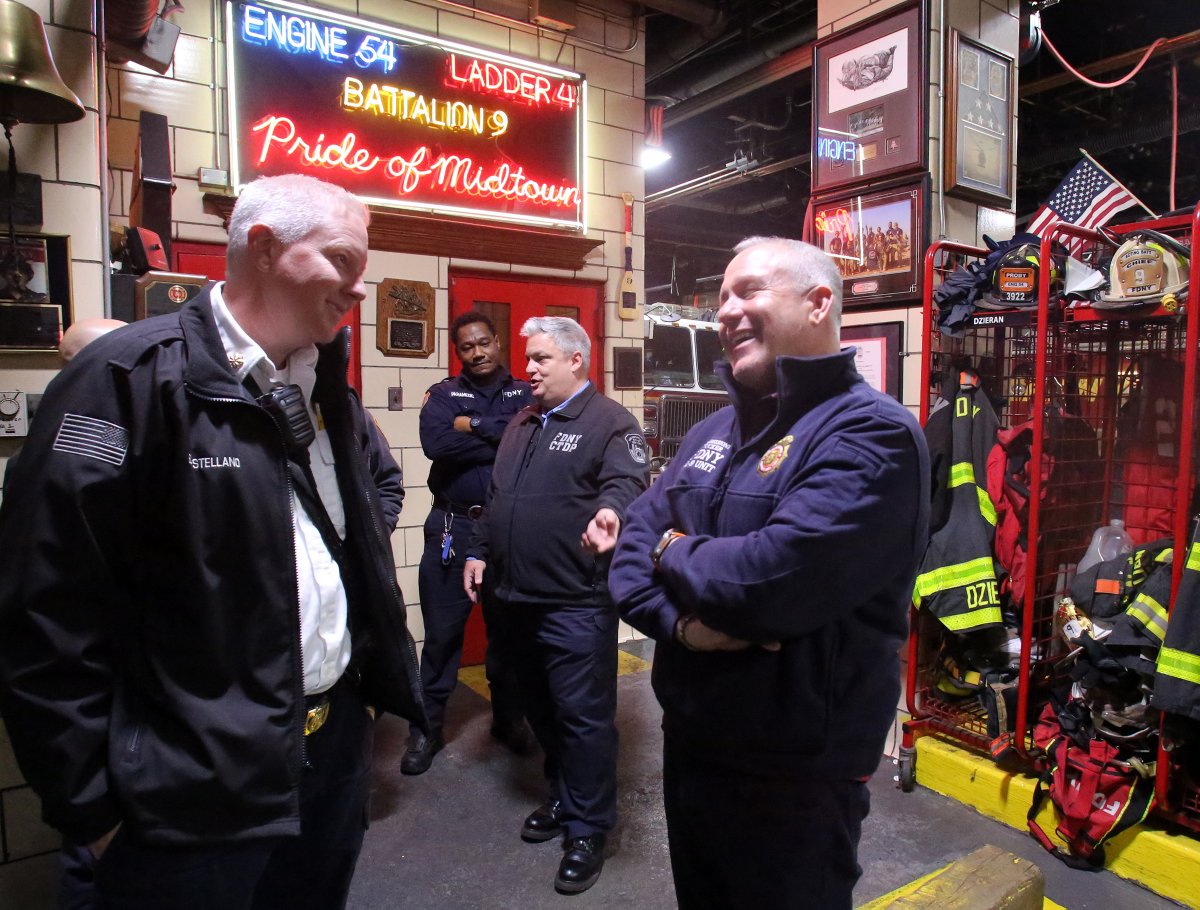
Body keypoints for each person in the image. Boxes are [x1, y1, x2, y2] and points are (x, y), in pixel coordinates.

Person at [0, 174, 427, 910]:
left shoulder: (328, 390)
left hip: (328, 757)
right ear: (262, 248)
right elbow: (46, 609)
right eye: (343, 262)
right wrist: (92, 811)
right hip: (189, 786)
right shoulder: (126, 379)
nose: (361, 287)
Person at [609, 237, 929, 910]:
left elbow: (764, 584)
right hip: (694, 741)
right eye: (721, 296)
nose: (726, 311)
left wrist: (671, 549)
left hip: (797, 774)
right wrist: (684, 630)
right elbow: (628, 552)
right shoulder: (712, 433)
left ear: (819, 304)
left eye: (749, 291)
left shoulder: (872, 435)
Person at [464, 316, 648, 894]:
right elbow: (496, 498)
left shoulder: (609, 423)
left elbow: (628, 483)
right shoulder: (522, 423)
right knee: (541, 709)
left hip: (574, 601)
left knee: (583, 718)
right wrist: (478, 550)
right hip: (514, 597)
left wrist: (613, 512)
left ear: (577, 360)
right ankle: (565, 799)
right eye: (530, 359)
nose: (531, 370)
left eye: (542, 359)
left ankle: (589, 828)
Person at [401, 311, 534, 774]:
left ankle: (508, 719)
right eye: (466, 347)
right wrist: (502, 434)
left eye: (483, 343)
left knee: (508, 638)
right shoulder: (442, 395)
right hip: (452, 529)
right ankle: (426, 728)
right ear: (457, 351)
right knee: (440, 637)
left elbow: (531, 440)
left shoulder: (526, 392)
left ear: (497, 342)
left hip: (505, 533)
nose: (476, 352)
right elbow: (436, 444)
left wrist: (471, 425)